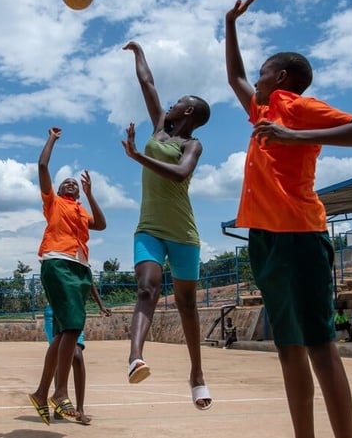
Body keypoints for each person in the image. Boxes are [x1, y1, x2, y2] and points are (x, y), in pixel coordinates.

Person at [226, 0, 352, 438]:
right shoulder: (261, 110)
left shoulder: (300, 109)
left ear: (283, 77)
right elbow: (233, 74)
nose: (255, 79)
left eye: (263, 73)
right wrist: (230, 23)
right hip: (266, 239)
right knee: (288, 347)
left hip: (300, 236)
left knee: (319, 345)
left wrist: (293, 137)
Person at [121, 41, 212, 410]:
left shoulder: (193, 144)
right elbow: (148, 83)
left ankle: (197, 375)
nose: (169, 104)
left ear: (188, 110)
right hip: (149, 228)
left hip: (183, 232)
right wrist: (139, 52)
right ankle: (135, 358)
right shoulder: (159, 125)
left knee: (187, 305)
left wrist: (139, 157)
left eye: (177, 102)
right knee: (147, 288)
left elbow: (180, 176)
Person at [28, 127, 107, 426]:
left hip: (80, 269)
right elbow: (42, 166)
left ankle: (40, 392)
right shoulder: (54, 203)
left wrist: (90, 194)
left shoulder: (81, 210)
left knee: (63, 334)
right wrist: (52, 138)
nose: (71, 184)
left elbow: (101, 223)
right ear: (59, 191)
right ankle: (60, 393)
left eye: (75, 184)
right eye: (67, 183)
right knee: (73, 328)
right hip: (58, 264)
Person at [42, 282, 111, 425]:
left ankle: (80, 410)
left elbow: (89, 281)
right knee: (60, 357)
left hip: (74, 311)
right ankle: (60, 401)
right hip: (54, 312)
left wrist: (101, 305)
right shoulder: (56, 261)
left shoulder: (81, 261)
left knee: (77, 356)